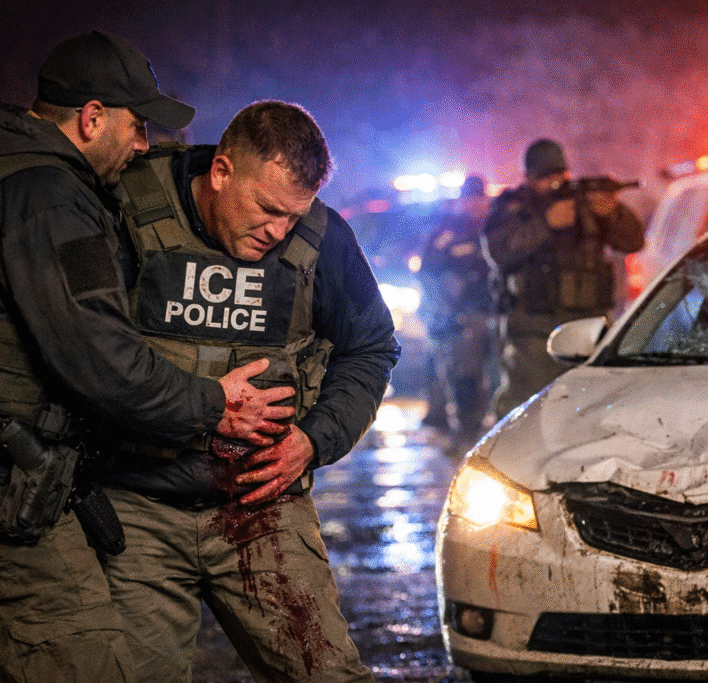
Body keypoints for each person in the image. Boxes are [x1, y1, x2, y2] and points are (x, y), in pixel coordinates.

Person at [0, 31, 293, 683]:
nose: (144, 143)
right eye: (136, 123)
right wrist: (214, 404)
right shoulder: (46, 195)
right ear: (92, 118)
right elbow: (99, 359)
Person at [100, 100, 400, 683]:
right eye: (266, 209)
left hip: (262, 504)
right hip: (134, 506)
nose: (277, 231)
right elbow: (86, 349)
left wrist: (313, 441)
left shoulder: (321, 237)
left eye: (293, 215)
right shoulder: (127, 209)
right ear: (221, 171)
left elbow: (372, 347)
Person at [482, 138, 645, 417]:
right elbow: (498, 250)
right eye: (545, 177)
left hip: (588, 327)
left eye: (559, 173)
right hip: (533, 330)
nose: (555, 182)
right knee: (528, 413)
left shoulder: (583, 205)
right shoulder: (514, 209)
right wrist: (545, 225)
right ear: (528, 178)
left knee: (593, 410)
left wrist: (611, 213)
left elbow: (633, 241)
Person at [417, 175, 495, 456]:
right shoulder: (448, 233)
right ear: (463, 201)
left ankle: (488, 433)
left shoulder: (494, 227)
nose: (475, 204)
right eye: (470, 199)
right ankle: (466, 434)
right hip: (463, 316)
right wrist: (446, 308)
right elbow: (428, 274)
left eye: (479, 198)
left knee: (496, 378)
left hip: (496, 312)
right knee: (465, 377)